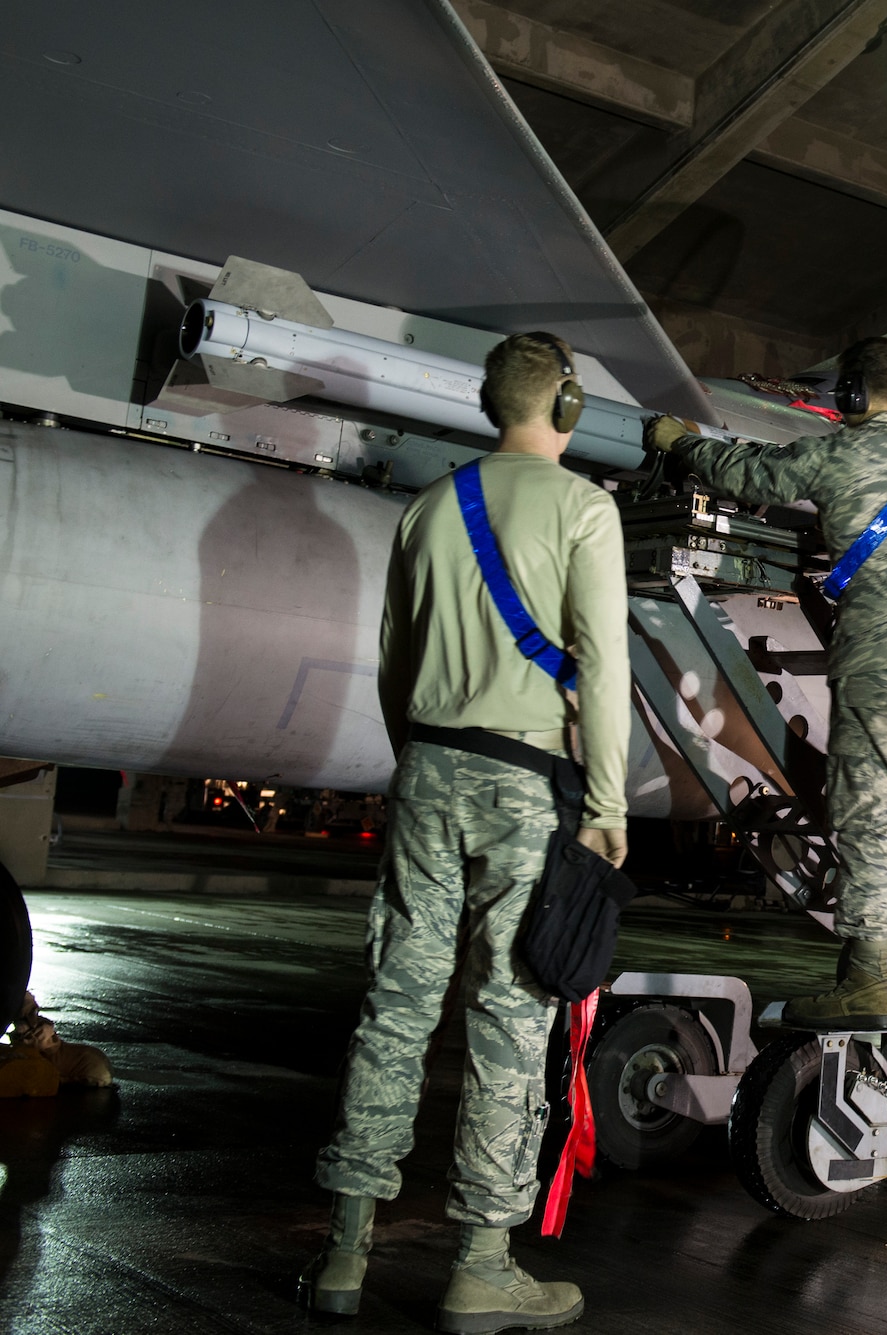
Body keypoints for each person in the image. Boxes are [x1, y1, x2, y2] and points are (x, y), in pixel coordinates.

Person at [300, 332, 629, 1332]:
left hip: (428, 771)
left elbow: (394, 666)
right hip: (526, 784)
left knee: (394, 1009)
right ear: (566, 406)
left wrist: (422, 765)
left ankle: (345, 1251)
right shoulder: (584, 508)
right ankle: (481, 1263)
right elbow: (604, 666)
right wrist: (609, 805)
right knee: (507, 1020)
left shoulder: (429, 508)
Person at [658, 336, 887, 1031]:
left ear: (850, 397)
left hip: (883, 658)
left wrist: (680, 443)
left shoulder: (840, 451)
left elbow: (751, 476)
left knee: (870, 812)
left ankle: (867, 979)